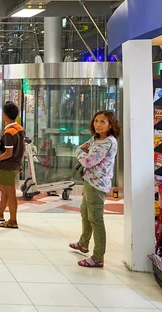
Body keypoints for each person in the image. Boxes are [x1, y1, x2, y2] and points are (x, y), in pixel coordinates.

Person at [70, 111, 120, 268]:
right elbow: (83, 148)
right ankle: (83, 243)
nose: (97, 124)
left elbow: (88, 161)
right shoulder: (96, 139)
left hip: (97, 184)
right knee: (85, 212)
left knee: (96, 219)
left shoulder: (107, 142)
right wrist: (82, 151)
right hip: (89, 181)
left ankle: (98, 257)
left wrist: (79, 152)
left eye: (102, 122)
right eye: (96, 121)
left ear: (110, 124)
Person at [0, 102, 25, 229]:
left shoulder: (9, 132)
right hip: (14, 164)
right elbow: (22, 148)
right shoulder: (19, 129)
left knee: (10, 193)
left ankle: (13, 220)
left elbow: (8, 153)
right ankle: (0, 214)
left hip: (8, 166)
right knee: (4, 191)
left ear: (5, 115)